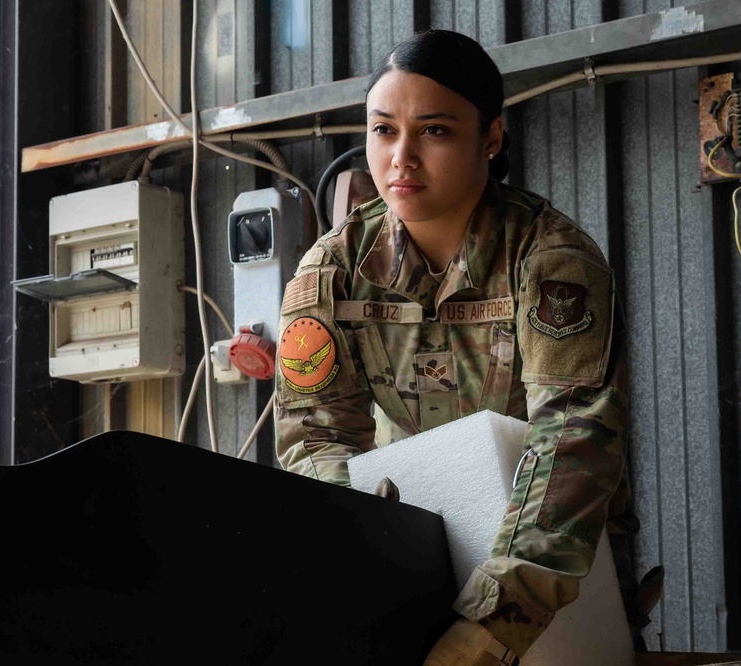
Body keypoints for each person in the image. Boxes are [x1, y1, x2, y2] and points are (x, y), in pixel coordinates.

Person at [273, 29, 639, 665]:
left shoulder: (549, 262)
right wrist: (372, 555)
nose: (401, 158)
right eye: (384, 130)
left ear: (491, 139)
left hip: (560, 574)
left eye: (434, 131)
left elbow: (573, 445)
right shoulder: (331, 272)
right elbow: (313, 442)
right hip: (413, 552)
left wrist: (494, 624)